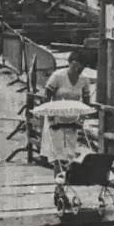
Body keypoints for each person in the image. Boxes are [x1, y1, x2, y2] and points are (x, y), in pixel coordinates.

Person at [39, 51, 90, 210]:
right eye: (78, 63)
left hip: (72, 123)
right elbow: (46, 97)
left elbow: (86, 102)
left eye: (83, 65)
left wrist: (81, 120)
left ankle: (59, 189)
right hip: (56, 122)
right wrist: (51, 118)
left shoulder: (84, 80)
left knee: (68, 158)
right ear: (71, 62)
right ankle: (61, 192)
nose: (80, 67)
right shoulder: (58, 76)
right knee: (59, 158)